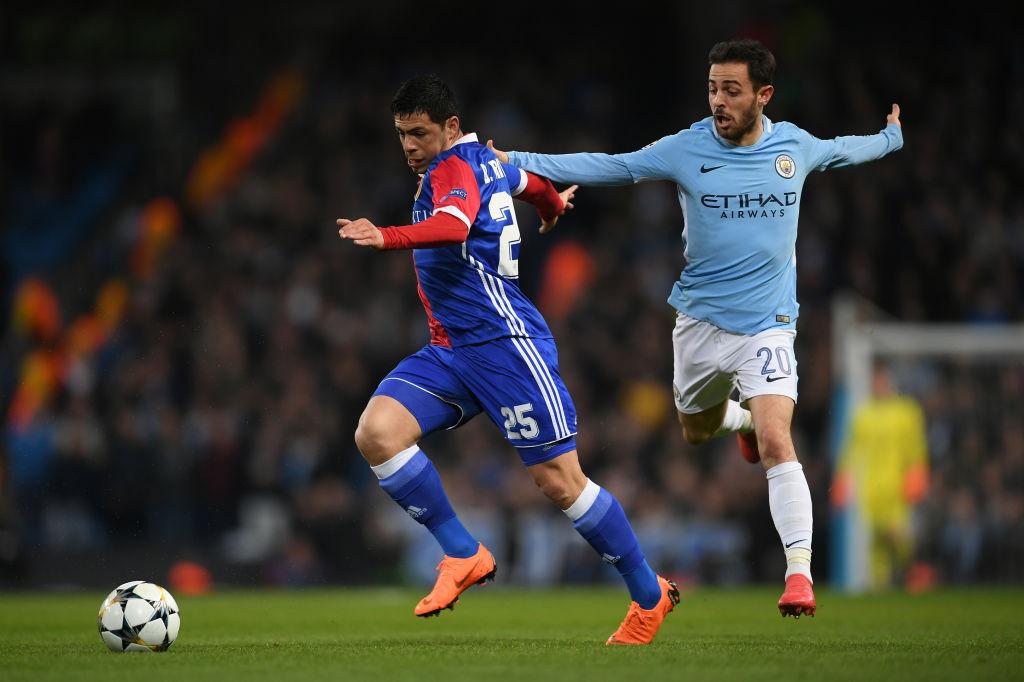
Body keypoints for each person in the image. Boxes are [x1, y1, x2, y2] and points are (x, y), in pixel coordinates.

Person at [490, 38, 904, 617]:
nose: (718, 101)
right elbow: (616, 166)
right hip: (700, 326)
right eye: (713, 88)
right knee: (694, 427)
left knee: (780, 439)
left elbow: (845, 150)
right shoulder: (688, 147)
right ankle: (740, 421)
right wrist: (518, 161)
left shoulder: (794, 147)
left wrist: (891, 137)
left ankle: (799, 575)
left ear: (764, 95)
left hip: (769, 325)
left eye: (731, 90)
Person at [336, 75, 678, 645]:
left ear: (449, 127)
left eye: (419, 132)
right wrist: (551, 204)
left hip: (505, 345)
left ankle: (649, 595)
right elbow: (530, 181)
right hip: (451, 349)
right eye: (401, 135)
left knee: (559, 481)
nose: (410, 146)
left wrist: (387, 237)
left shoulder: (452, 171)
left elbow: (453, 226)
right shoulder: (486, 160)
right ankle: (464, 555)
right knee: (377, 433)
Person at [835, 363, 928, 590]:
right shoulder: (863, 415)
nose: (877, 385)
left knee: (897, 535)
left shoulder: (907, 411)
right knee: (876, 547)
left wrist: (918, 475)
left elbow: (916, 448)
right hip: (870, 490)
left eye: (880, 380)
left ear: (889, 381)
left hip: (897, 488)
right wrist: (842, 479)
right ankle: (882, 591)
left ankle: (915, 571)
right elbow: (851, 451)